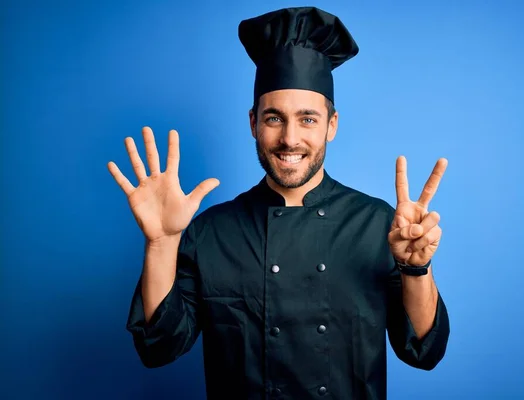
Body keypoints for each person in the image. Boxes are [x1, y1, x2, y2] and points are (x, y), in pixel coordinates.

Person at [108, 6, 450, 400]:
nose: (290, 139)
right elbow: (158, 348)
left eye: (307, 119)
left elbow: (424, 351)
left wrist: (416, 268)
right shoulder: (211, 231)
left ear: (331, 126)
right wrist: (162, 244)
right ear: (253, 122)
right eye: (274, 119)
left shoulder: (377, 225)